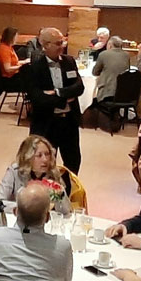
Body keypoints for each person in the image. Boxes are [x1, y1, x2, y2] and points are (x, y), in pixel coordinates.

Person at [25, 27, 84, 174]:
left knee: (73, 161)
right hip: (46, 123)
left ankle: (68, 187)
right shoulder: (34, 67)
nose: (62, 46)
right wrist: (64, 100)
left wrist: (57, 92)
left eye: (62, 42)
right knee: (43, 164)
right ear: (45, 45)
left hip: (69, 122)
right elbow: (37, 97)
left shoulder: (69, 61)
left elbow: (79, 87)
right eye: (58, 43)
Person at [0, 135, 72, 215]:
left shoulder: (53, 173)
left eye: (47, 154)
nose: (45, 159)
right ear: (28, 157)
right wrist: (25, 208)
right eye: (39, 155)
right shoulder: (15, 171)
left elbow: (66, 212)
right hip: (18, 218)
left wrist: (59, 193)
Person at [92, 36, 130, 101]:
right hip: (123, 92)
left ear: (109, 45)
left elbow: (95, 72)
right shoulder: (126, 55)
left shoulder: (103, 54)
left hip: (107, 92)